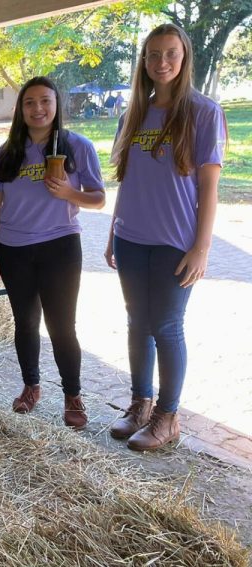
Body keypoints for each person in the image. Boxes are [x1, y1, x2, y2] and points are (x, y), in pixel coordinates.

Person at [105, 23, 227, 451]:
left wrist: (202, 246)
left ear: (184, 57)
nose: (161, 62)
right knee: (137, 323)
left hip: (176, 242)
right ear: (144, 61)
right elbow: (127, 181)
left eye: (170, 53)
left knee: (167, 325)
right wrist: (112, 233)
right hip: (131, 238)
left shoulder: (204, 112)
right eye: (153, 54)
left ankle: (167, 416)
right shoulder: (132, 114)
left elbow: (209, 186)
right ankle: (140, 404)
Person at [0, 76, 105, 429]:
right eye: (30, 102)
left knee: (62, 325)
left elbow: (98, 198)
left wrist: (70, 193)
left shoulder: (75, 146)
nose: (38, 109)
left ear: (56, 105)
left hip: (60, 247)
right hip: (13, 249)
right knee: (26, 323)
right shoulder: (5, 154)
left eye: (45, 101)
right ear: (21, 110)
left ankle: (72, 395)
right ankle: (31, 387)